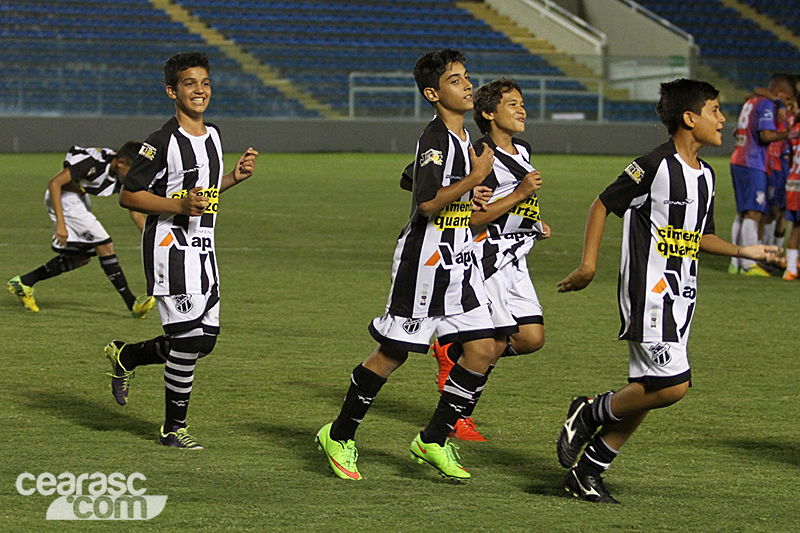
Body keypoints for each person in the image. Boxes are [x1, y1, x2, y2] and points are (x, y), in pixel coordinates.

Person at [556, 79, 777, 504]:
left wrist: (740, 249)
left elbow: (700, 236)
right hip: (648, 291)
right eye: (715, 110)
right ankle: (589, 410)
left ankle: (587, 472)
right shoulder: (653, 165)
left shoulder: (707, 176)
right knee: (673, 385)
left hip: (683, 295)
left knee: (650, 390)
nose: (722, 118)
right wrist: (588, 265)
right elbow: (602, 204)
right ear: (689, 118)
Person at [315, 49, 496, 482]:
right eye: (456, 80)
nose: (467, 84)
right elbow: (428, 203)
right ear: (433, 93)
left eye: (466, 77)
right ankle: (338, 435)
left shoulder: (462, 139)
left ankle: (433, 439)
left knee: (483, 349)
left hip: (459, 261)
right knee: (393, 353)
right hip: (425, 262)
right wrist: (472, 181)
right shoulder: (435, 138)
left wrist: (471, 196)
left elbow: (409, 177)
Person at [102, 51, 258, 449]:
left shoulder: (216, 135)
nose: (200, 90)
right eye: (190, 83)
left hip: (204, 249)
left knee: (204, 342)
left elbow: (202, 194)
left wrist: (232, 180)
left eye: (205, 83)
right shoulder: (159, 142)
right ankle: (173, 430)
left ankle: (129, 356)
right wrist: (177, 206)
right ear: (172, 91)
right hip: (170, 250)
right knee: (188, 342)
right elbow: (129, 196)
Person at [427, 78, 551, 442]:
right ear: (488, 113)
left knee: (531, 338)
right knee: (492, 344)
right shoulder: (478, 155)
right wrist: (522, 195)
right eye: (512, 104)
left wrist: (532, 221)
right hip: (486, 259)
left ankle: (457, 352)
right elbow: (471, 217)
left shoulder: (522, 149)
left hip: (516, 258)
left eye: (522, 103)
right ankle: (458, 417)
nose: (522, 109)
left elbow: (511, 201)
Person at [6, 143, 155, 318]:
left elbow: (134, 209)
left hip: (78, 198)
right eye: (132, 170)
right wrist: (61, 223)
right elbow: (54, 183)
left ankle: (24, 282)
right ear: (120, 162)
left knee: (81, 258)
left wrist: (149, 235)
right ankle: (132, 304)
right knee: (105, 244)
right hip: (63, 198)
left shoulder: (119, 174)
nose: (134, 176)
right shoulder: (93, 163)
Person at [728, 74, 793, 276]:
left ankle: (735, 264)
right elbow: (766, 136)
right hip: (752, 161)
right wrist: (787, 134)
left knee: (743, 213)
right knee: (754, 213)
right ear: (779, 92)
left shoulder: (751, 101)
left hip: (738, 159)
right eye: (786, 98)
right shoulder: (766, 104)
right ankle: (750, 265)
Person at [782, 98, 800, 280]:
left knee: (795, 226)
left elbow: (788, 157)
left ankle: (790, 268)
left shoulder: (793, 129)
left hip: (793, 182)